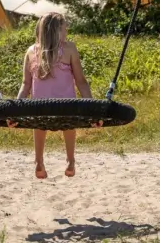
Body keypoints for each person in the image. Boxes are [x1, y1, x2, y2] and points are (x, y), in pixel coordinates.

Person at [11, 12, 101, 179]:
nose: (66, 32)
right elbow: (81, 82)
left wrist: (16, 111)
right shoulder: (69, 49)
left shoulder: (31, 51)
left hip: (39, 109)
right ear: (56, 31)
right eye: (65, 29)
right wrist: (93, 109)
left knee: (38, 124)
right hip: (67, 108)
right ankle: (70, 160)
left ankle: (38, 161)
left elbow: (25, 85)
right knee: (69, 124)